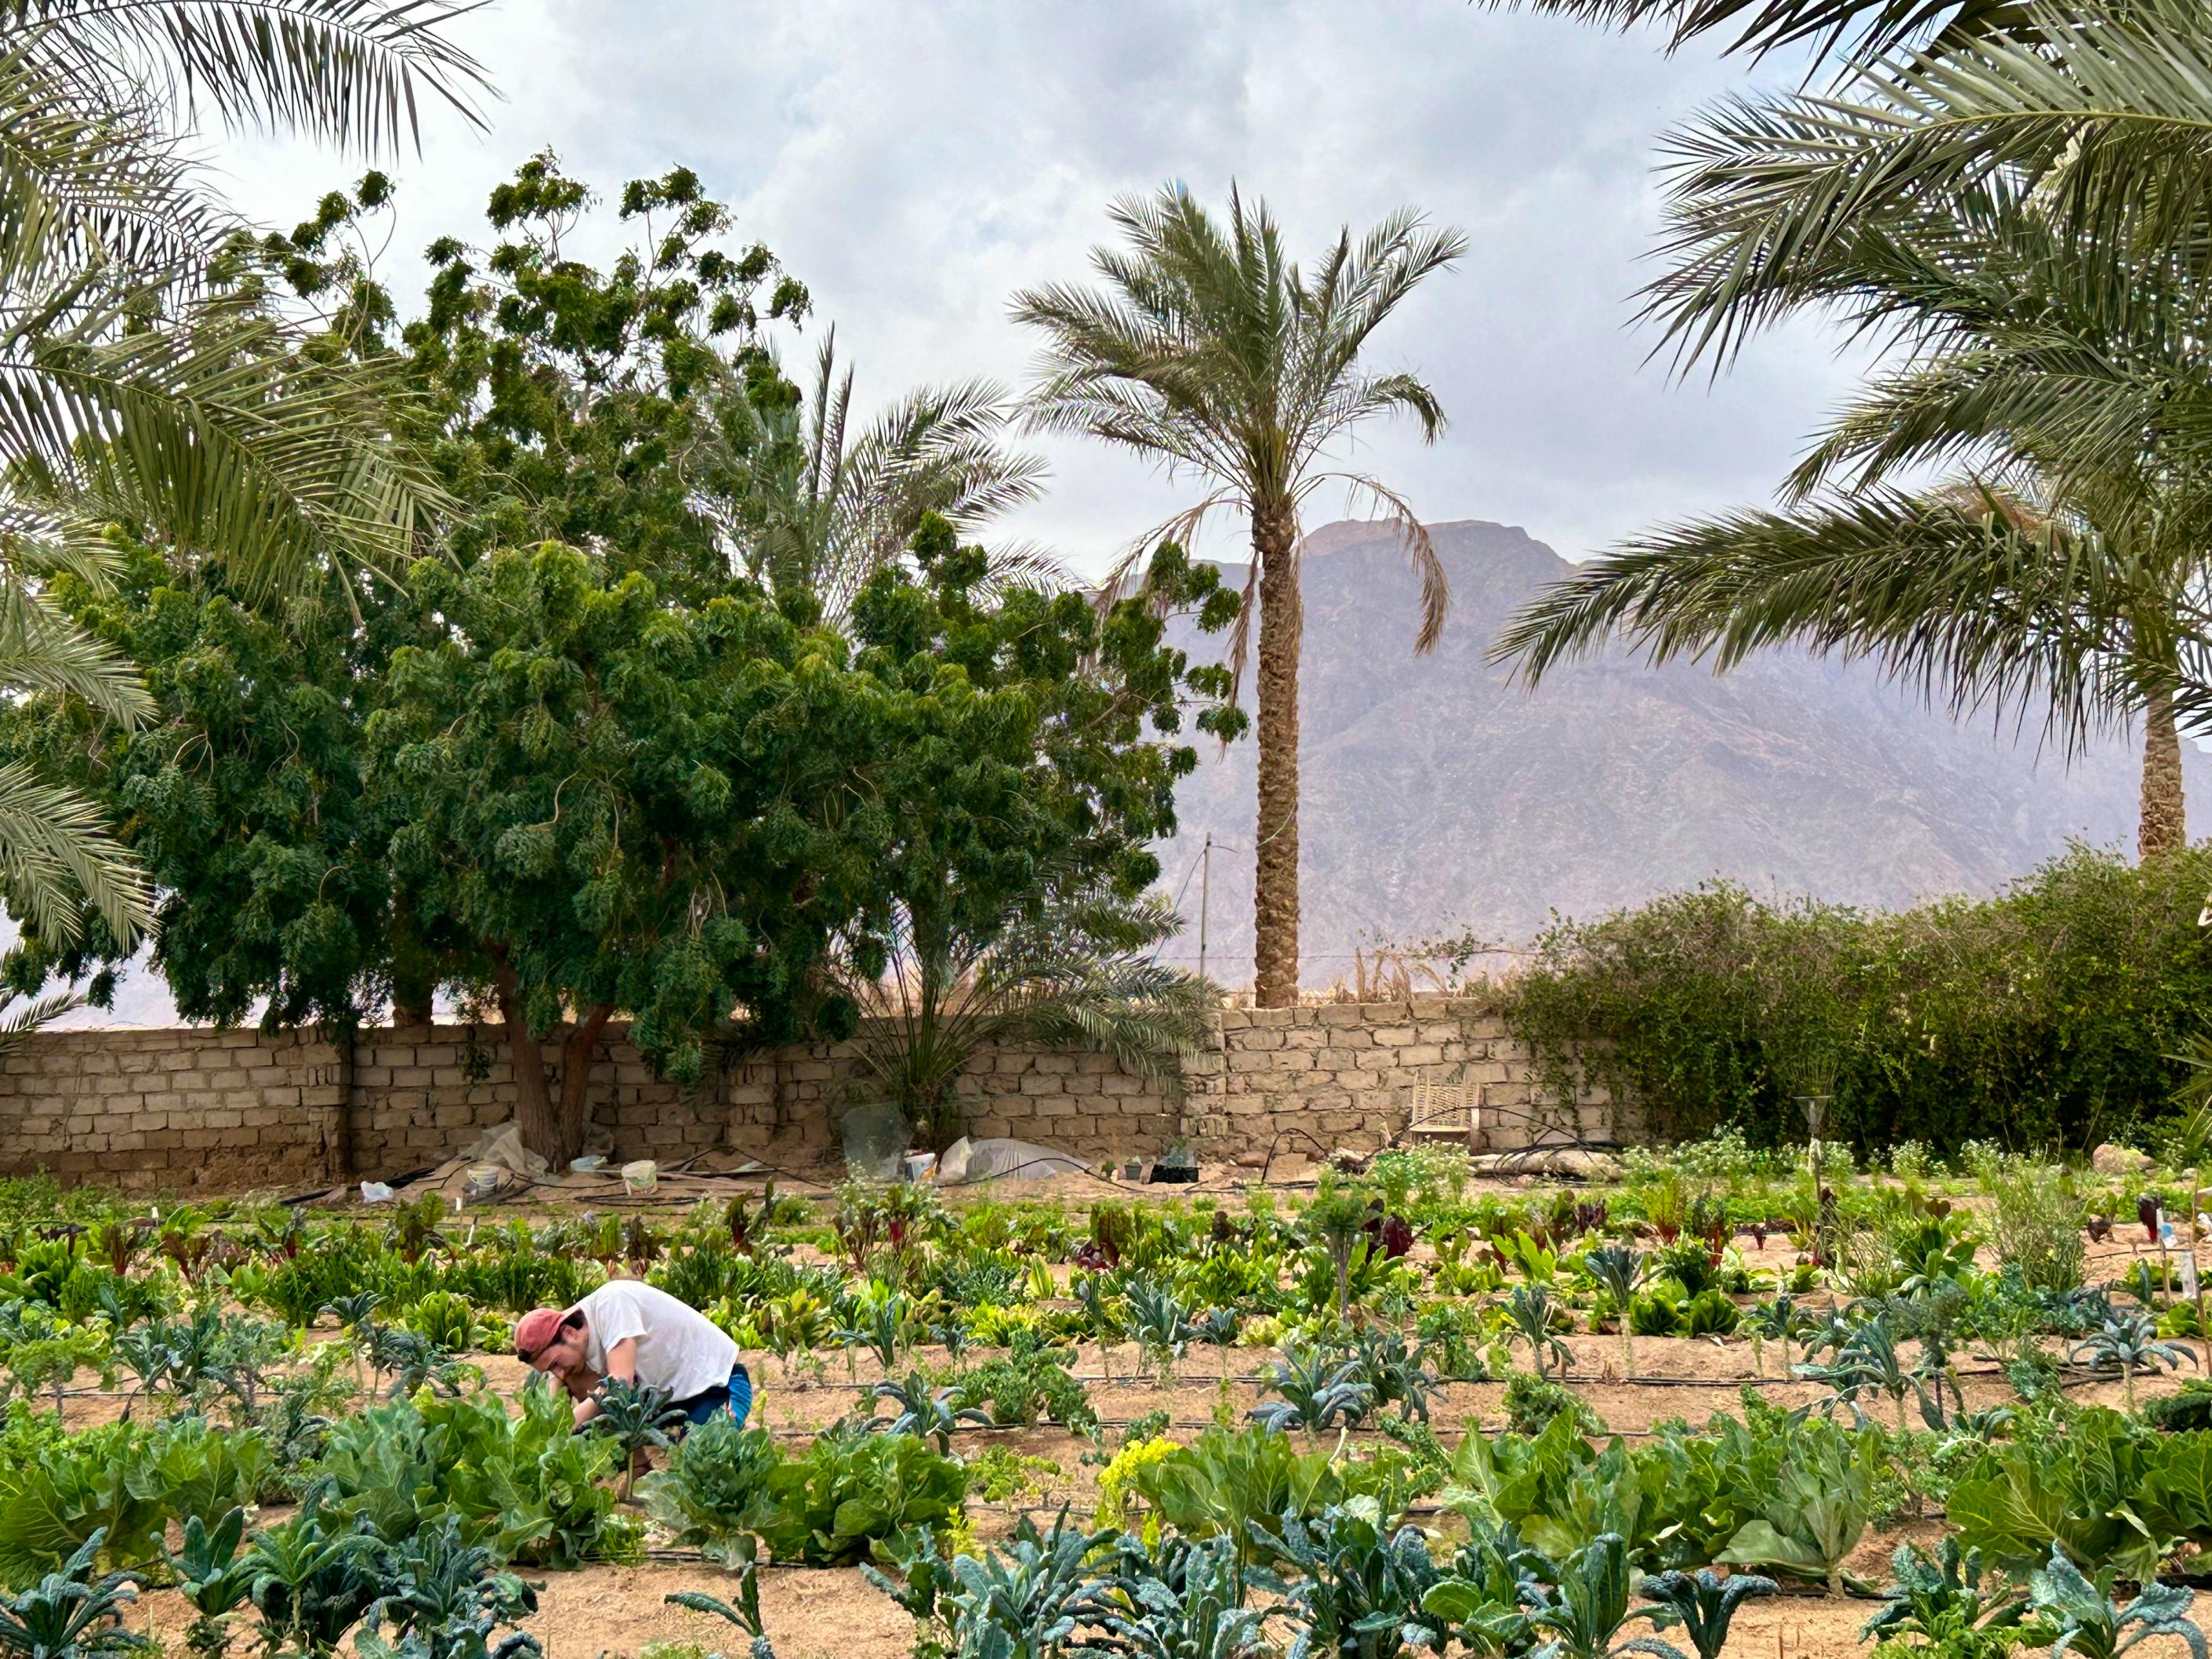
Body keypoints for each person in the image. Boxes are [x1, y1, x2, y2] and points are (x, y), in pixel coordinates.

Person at [514, 1280, 752, 1432]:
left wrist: (568, 1424)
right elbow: (555, 1384)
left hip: (717, 1384)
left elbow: (621, 1383)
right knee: (577, 1381)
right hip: (666, 1398)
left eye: (555, 1364)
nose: (557, 1373)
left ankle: (745, 1434)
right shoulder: (569, 1329)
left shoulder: (612, 1303)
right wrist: (549, 1424)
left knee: (700, 1455)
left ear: (568, 1333)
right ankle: (639, 1466)